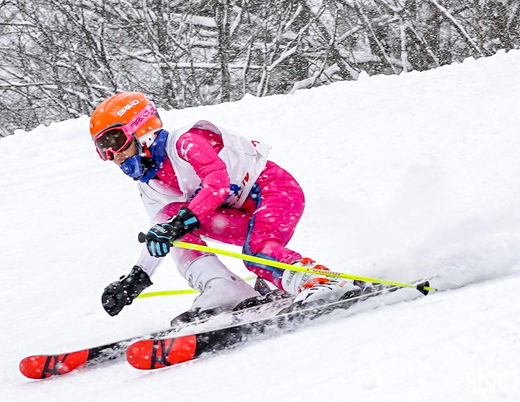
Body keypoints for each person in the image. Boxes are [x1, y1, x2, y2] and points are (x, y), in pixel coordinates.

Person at [90, 91, 353, 326]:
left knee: (256, 252)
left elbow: (217, 182)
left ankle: (316, 280)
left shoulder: (185, 142)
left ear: (141, 128)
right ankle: (223, 288)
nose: (113, 154)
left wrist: (183, 220)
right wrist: (136, 279)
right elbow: (160, 232)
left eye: (115, 140)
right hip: (235, 215)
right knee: (167, 221)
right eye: (103, 149)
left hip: (273, 191)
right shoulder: (150, 183)